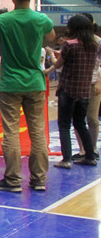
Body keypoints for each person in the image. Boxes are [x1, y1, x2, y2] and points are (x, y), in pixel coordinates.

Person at [0, 0, 55, 192]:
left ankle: (13, 180)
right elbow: (50, 38)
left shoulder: (2, 20)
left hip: (10, 82)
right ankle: (39, 179)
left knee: (11, 132)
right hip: (35, 82)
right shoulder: (41, 20)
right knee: (37, 132)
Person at [45, 14, 99, 168]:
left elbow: (58, 64)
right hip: (84, 91)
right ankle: (90, 156)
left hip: (68, 90)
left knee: (64, 125)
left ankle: (66, 159)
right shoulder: (94, 46)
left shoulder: (69, 45)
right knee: (81, 124)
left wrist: (50, 58)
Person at [71, 13, 101, 163]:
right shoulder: (74, 42)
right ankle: (82, 149)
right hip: (77, 84)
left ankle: (93, 148)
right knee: (77, 119)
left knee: (92, 118)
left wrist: (99, 82)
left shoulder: (98, 42)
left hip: (93, 84)